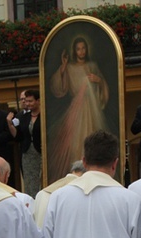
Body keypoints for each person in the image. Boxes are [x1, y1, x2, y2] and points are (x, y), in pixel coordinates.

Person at [48, 36, 110, 185]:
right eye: (78, 49)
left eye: (83, 48)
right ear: (74, 51)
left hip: (91, 109)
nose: (81, 51)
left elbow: (103, 90)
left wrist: (99, 81)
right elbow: (59, 89)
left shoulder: (92, 65)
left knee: (92, 136)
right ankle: (78, 174)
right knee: (76, 142)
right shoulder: (69, 67)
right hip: (76, 111)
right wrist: (63, 67)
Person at [8, 89, 42, 197]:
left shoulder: (45, 115)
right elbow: (19, 137)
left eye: (30, 101)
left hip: (42, 152)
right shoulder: (24, 117)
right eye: (26, 101)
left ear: (38, 101)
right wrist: (10, 125)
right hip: (28, 154)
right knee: (30, 181)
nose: (27, 104)